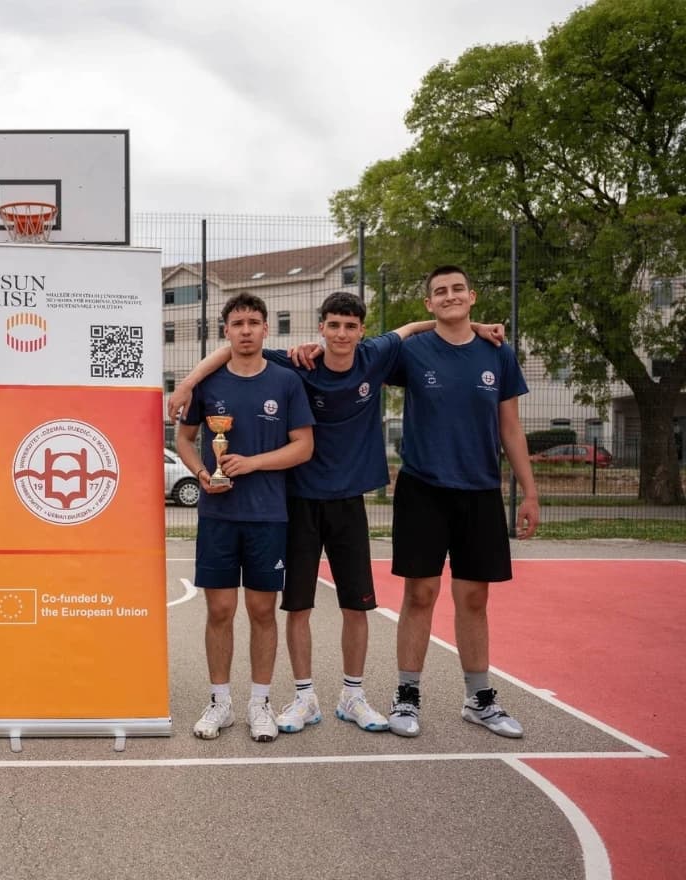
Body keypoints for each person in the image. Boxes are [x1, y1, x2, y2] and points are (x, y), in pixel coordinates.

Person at [169, 292, 504, 737]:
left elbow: (413, 329)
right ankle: (303, 697)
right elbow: (230, 350)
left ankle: (352, 694)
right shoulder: (297, 366)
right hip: (299, 500)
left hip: (348, 500)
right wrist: (189, 382)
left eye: (350, 326)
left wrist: (476, 327)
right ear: (321, 329)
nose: (342, 333)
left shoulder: (375, 356)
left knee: (355, 605)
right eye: (333, 326)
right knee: (297, 607)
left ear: (361, 331)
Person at [386, 265, 538, 739]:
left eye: (457, 290)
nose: (449, 296)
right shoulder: (413, 351)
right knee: (420, 594)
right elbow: (369, 349)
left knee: (474, 597)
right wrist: (427, 325)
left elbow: (510, 427)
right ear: (429, 305)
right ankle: (407, 696)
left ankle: (479, 699)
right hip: (422, 488)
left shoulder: (498, 353)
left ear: (472, 296)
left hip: (479, 491)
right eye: (438, 293)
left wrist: (529, 491)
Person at [175, 292, 315, 743]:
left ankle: (260, 703)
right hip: (218, 513)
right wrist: (202, 472)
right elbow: (184, 438)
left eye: (254, 322)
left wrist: (252, 463)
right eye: (237, 324)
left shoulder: (286, 381)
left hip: (268, 514)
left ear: (266, 328)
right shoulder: (209, 383)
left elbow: (304, 446)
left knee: (261, 610)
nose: (246, 330)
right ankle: (220, 703)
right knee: (219, 609)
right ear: (225, 331)